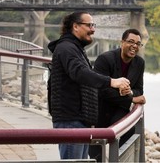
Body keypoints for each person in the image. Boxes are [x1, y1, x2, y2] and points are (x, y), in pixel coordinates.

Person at [47, 11, 130, 160]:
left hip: (79, 120)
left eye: (94, 25)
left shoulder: (75, 48)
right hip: (71, 120)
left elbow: (83, 78)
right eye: (89, 25)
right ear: (76, 26)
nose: (93, 29)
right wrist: (112, 81)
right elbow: (80, 72)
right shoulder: (67, 48)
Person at [89, 28, 146, 162]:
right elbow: (101, 90)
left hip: (121, 113)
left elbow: (139, 90)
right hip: (100, 111)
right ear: (121, 42)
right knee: (96, 154)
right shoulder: (105, 59)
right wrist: (131, 99)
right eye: (131, 42)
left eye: (138, 43)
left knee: (123, 150)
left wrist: (130, 92)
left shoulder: (139, 63)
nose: (134, 46)